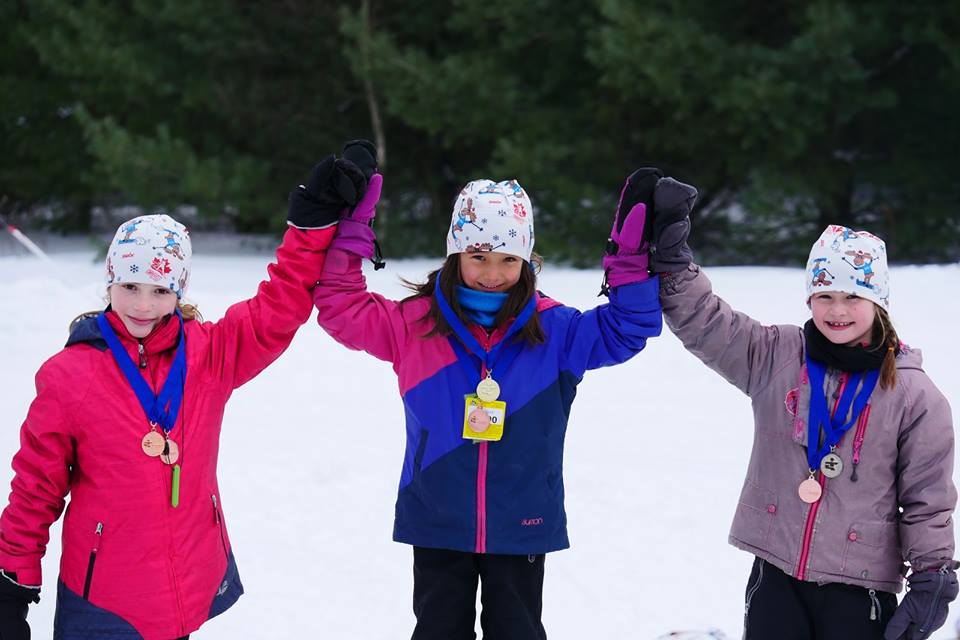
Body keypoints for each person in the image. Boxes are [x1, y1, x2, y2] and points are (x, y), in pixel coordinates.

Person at [0, 141, 378, 640]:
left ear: (179, 293)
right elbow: (36, 487)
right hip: (104, 601)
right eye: (129, 285)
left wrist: (309, 227)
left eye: (160, 291)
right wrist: (12, 578)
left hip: (186, 583)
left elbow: (279, 306)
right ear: (109, 282)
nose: (142, 303)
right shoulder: (69, 375)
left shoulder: (209, 354)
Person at [312, 164, 669, 638]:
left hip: (522, 518)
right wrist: (350, 236)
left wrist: (629, 263)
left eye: (508, 259)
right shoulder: (414, 325)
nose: (493, 274)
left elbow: (627, 328)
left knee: (517, 629)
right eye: (478, 256)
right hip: (437, 515)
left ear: (526, 260)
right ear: (455, 253)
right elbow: (342, 307)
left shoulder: (557, 330)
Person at [648, 186, 958, 640]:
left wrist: (933, 574)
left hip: (860, 589)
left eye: (852, 297)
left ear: (879, 303)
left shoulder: (914, 395)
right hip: (776, 575)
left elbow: (927, 501)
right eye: (824, 295)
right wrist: (675, 263)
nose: (837, 310)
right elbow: (708, 323)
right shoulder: (777, 355)